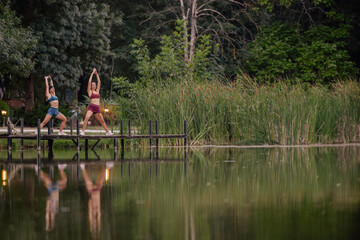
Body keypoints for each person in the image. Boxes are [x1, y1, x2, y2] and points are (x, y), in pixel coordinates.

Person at [80, 68, 113, 136]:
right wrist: (92, 73)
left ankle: (107, 132)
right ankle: (83, 131)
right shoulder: (90, 92)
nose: (94, 86)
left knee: (102, 120)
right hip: (92, 107)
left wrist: (96, 74)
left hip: (97, 108)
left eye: (94, 85)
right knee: (86, 117)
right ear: (91, 86)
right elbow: (89, 82)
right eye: (92, 85)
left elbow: (99, 82)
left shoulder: (97, 91)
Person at [37, 164, 68, 232]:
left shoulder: (49, 206)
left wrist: (47, 224)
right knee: (65, 181)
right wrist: (52, 225)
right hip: (56, 188)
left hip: (51, 188)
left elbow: (47, 215)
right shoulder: (55, 208)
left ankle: (38, 170)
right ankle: (60, 168)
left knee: (46, 178)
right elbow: (52, 217)